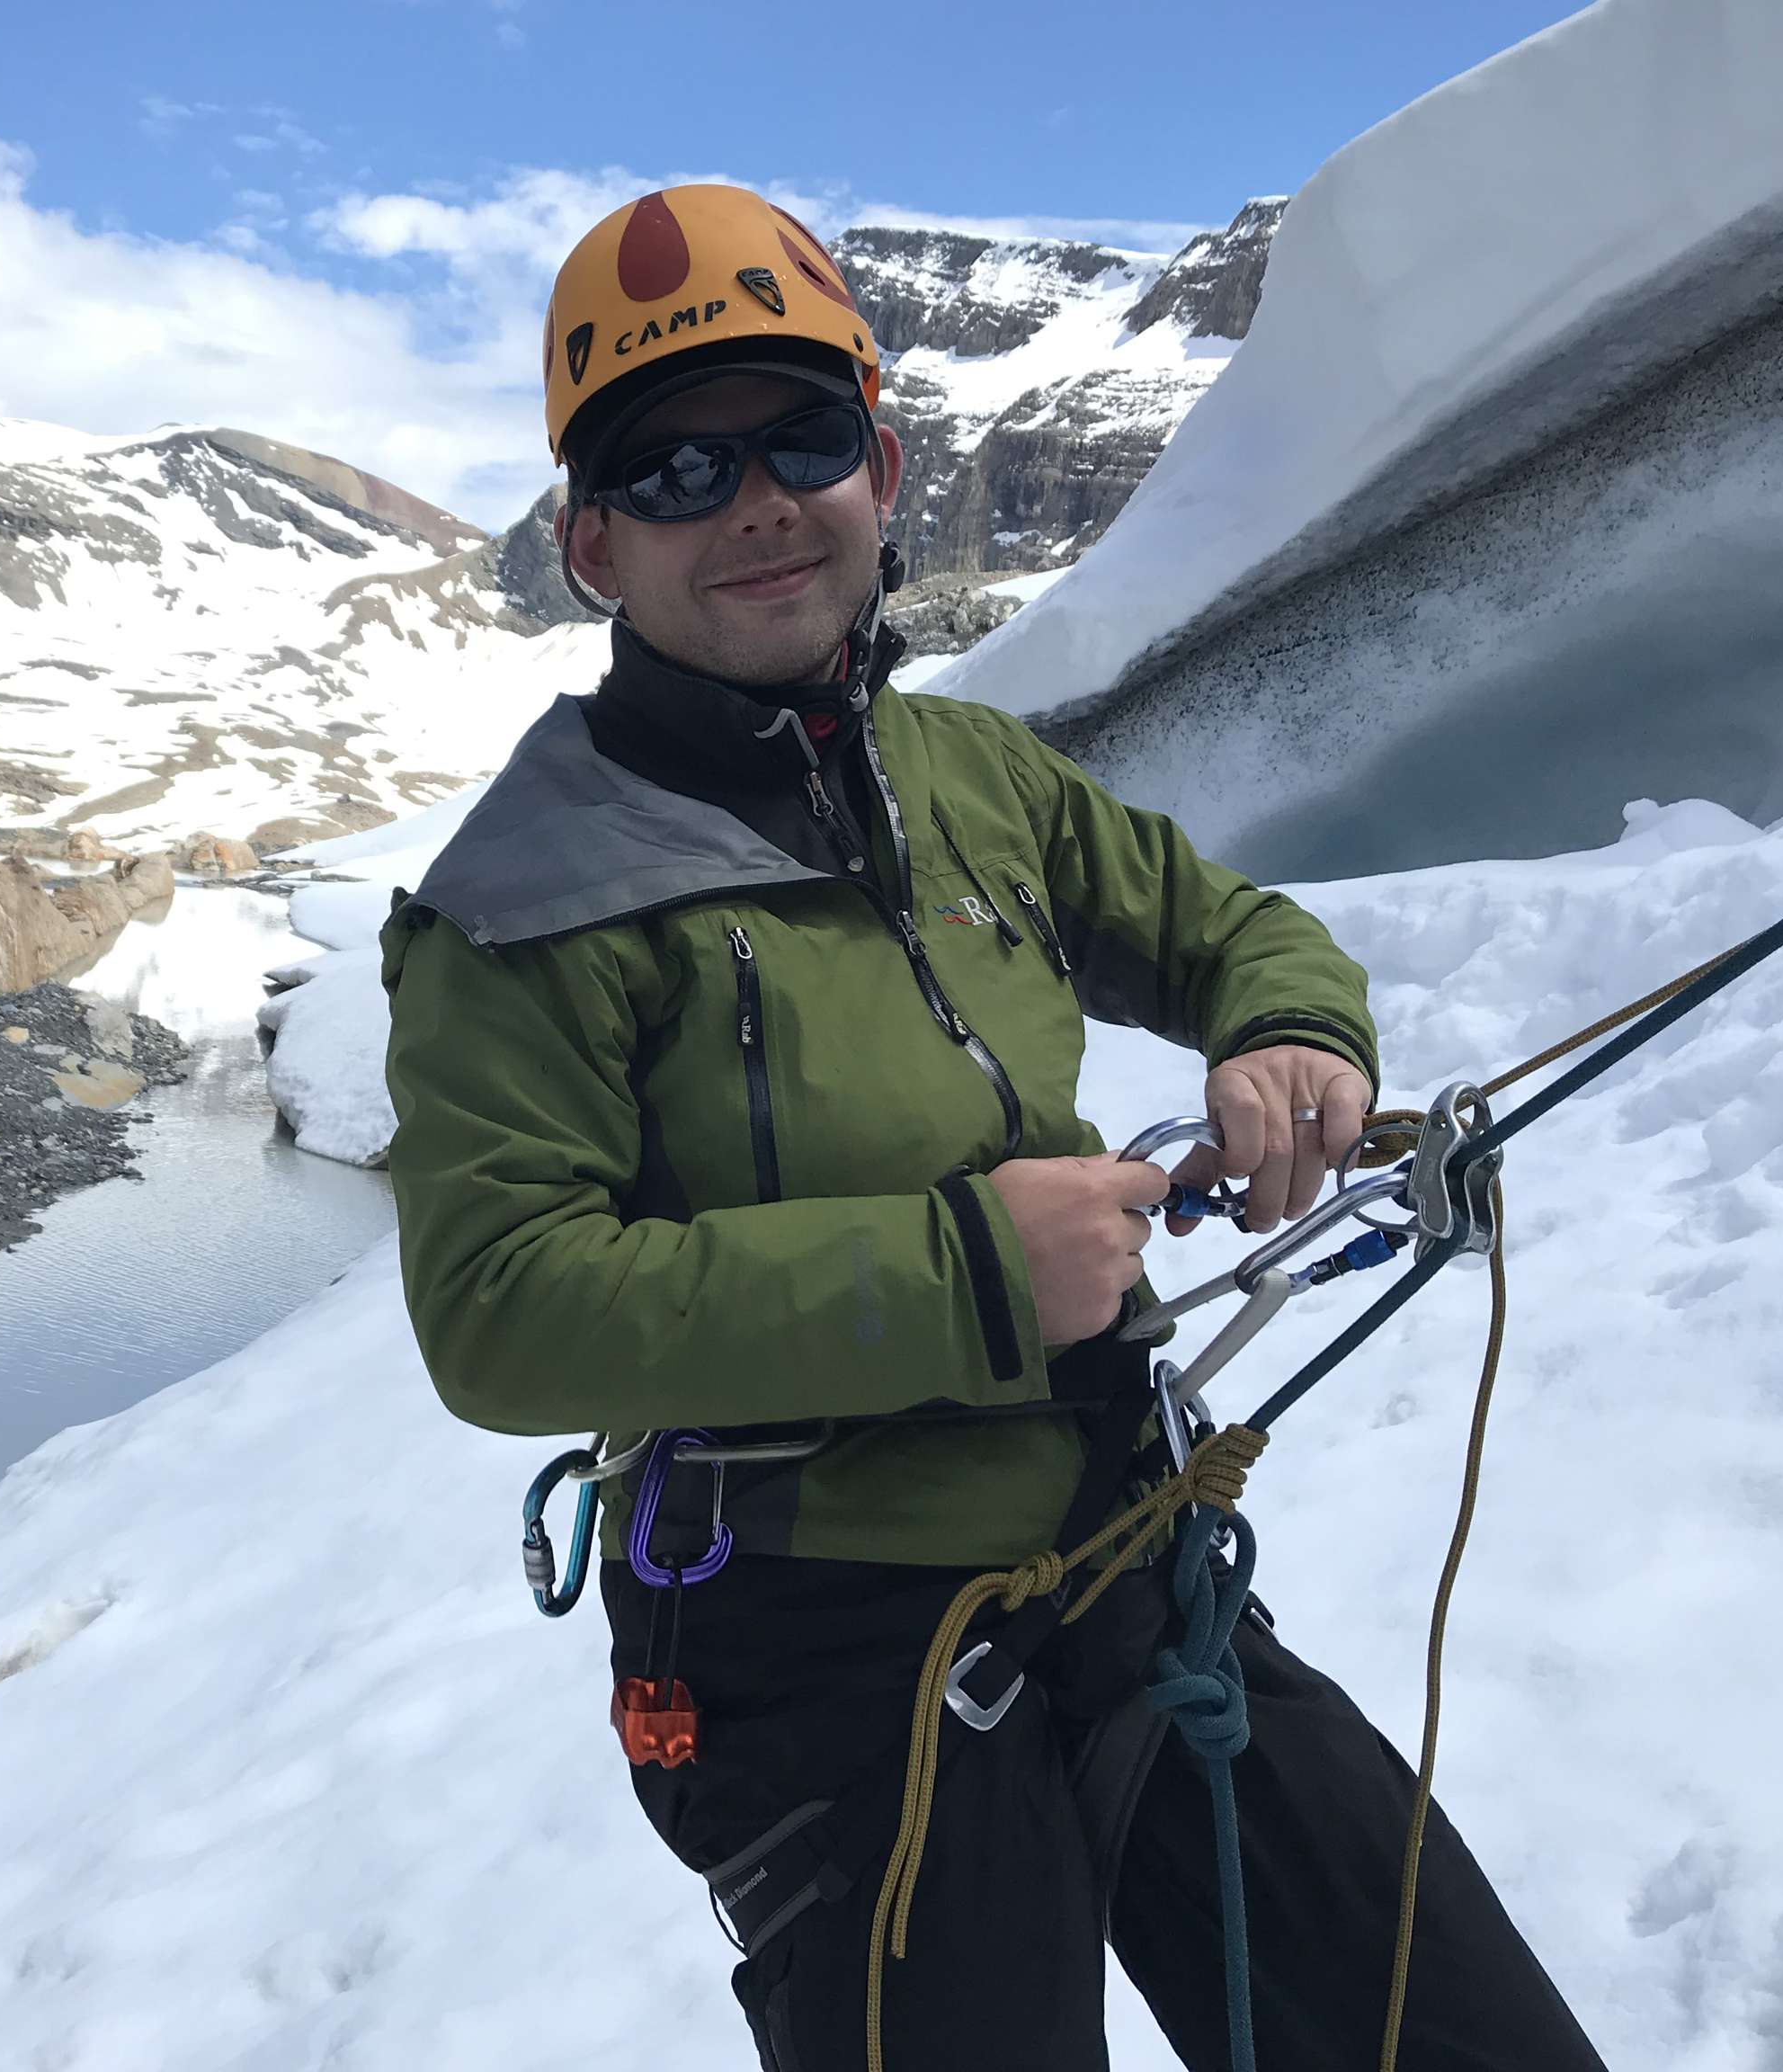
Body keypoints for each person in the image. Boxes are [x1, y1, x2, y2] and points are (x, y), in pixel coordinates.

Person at [379, 184, 1608, 2072]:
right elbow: (502, 1306)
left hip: (1123, 1549)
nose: (757, 501)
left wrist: (1286, 1037)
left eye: (796, 435)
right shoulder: (518, 911)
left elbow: (1228, 931)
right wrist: (968, 1270)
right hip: (812, 1660)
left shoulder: (976, 778)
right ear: (593, 547)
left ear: (879, 464)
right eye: (675, 468)